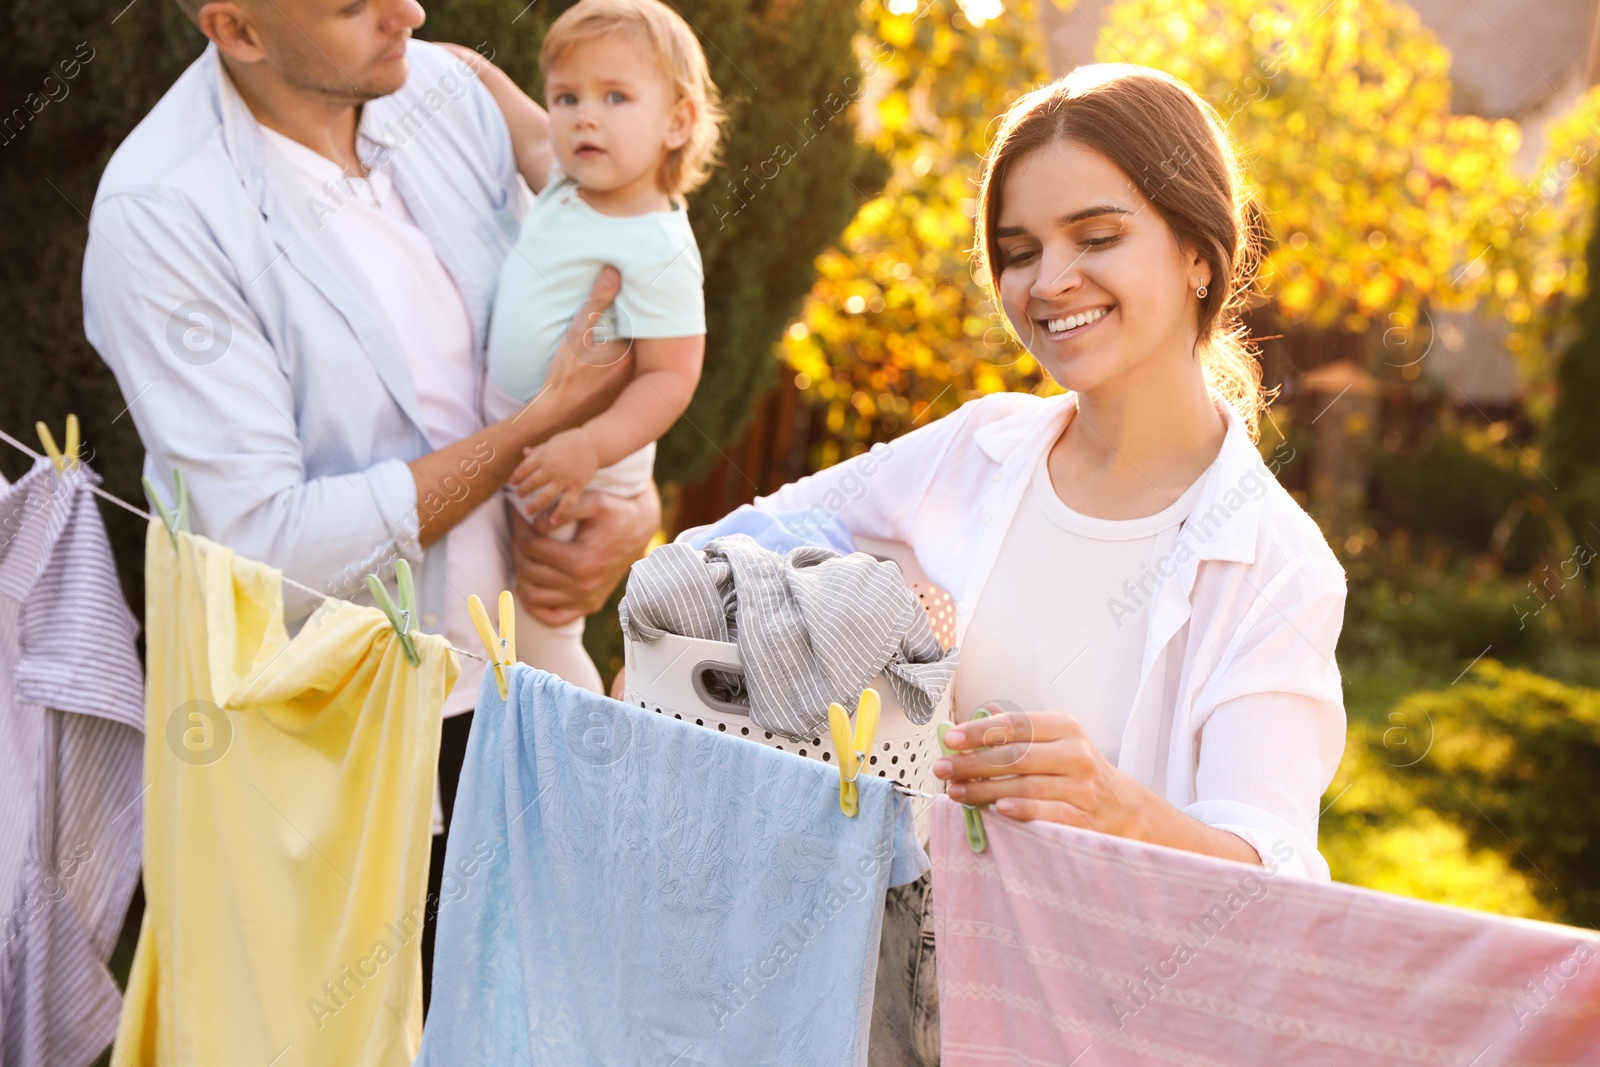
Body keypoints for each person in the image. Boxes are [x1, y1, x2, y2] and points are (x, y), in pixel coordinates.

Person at [749, 65, 1348, 1064]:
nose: (1047, 280)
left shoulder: (1276, 564)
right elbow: (737, 544)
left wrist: (1114, 804)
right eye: (1018, 251)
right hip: (876, 1007)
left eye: (1097, 237)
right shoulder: (973, 449)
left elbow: (1272, 879)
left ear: (1199, 255)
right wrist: (865, 596)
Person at [81, 0, 658, 1007]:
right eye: (354, 6)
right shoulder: (163, 214)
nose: (410, 12)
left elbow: (589, 310)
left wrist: (624, 500)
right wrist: (523, 437)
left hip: (533, 699)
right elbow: (269, 550)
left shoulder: (444, 92)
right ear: (240, 31)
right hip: (345, 758)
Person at [449, 0, 722, 693]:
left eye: (615, 97)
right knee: (493, 609)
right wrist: (461, 65)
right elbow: (518, 122)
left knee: (546, 622)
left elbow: (669, 378)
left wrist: (590, 448)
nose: (584, 117)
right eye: (567, 97)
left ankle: (584, 746)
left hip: (586, 464)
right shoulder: (566, 183)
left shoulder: (656, 242)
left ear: (678, 121)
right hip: (525, 441)